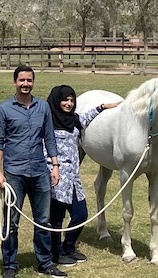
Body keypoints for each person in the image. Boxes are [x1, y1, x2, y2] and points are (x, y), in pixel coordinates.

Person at [0, 65, 63, 278]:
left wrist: (55, 165)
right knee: (11, 221)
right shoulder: (4, 109)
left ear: (33, 82)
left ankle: (44, 262)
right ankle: (10, 264)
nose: (25, 84)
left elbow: (49, 138)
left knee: (43, 220)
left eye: (29, 80)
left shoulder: (43, 107)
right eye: (22, 80)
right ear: (15, 82)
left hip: (40, 171)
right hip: (14, 173)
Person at [46, 85, 121, 266]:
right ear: (57, 101)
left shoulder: (74, 120)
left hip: (73, 179)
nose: (69, 104)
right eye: (65, 100)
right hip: (56, 177)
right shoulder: (47, 124)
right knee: (56, 219)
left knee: (81, 214)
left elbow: (86, 118)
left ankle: (69, 246)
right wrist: (52, 169)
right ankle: (56, 254)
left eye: (72, 100)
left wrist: (103, 107)